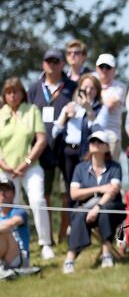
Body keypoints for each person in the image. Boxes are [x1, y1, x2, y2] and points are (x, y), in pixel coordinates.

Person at [26, 48, 74, 258]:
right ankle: (48, 238)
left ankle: (65, 234)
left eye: (56, 61)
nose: (52, 65)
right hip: (41, 147)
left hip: (65, 146)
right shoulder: (35, 88)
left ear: (63, 64)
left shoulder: (71, 86)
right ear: (43, 64)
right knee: (43, 194)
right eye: (48, 61)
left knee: (67, 193)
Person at [1, 76, 53, 259]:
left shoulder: (31, 111)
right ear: (4, 95)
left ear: (22, 93)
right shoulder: (1, 114)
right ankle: (13, 245)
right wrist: (4, 165)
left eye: (16, 91)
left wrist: (27, 162)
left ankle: (45, 243)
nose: (12, 95)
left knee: (37, 201)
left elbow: (41, 139)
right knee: (7, 206)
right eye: (8, 92)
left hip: (31, 167)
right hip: (6, 169)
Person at [63, 131, 124, 274]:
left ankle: (107, 254)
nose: (95, 144)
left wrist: (98, 207)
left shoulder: (115, 167)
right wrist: (99, 188)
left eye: (99, 142)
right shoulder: (80, 168)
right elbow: (74, 194)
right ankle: (70, 259)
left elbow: (113, 191)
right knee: (78, 214)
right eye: (92, 141)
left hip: (111, 207)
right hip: (85, 208)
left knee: (105, 212)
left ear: (107, 147)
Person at [52, 73, 107, 198]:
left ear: (97, 91)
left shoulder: (100, 109)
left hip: (87, 153)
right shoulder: (70, 106)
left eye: (92, 88)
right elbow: (55, 132)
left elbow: (98, 131)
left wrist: (88, 109)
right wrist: (65, 115)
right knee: (69, 188)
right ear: (79, 89)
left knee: (86, 188)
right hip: (68, 152)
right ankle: (72, 216)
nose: (88, 91)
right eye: (85, 87)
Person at [0, 175, 35, 279]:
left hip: (19, 258)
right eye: (0, 190)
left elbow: (12, 223)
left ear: (14, 194)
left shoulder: (19, 210)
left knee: (4, 231)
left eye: (6, 190)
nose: (2, 193)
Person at [95, 54, 126, 158]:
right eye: (101, 67)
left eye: (108, 67)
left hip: (111, 136)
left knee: (111, 170)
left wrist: (93, 99)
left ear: (114, 69)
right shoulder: (92, 85)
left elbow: (110, 105)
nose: (104, 70)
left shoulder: (119, 87)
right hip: (92, 135)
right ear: (96, 68)